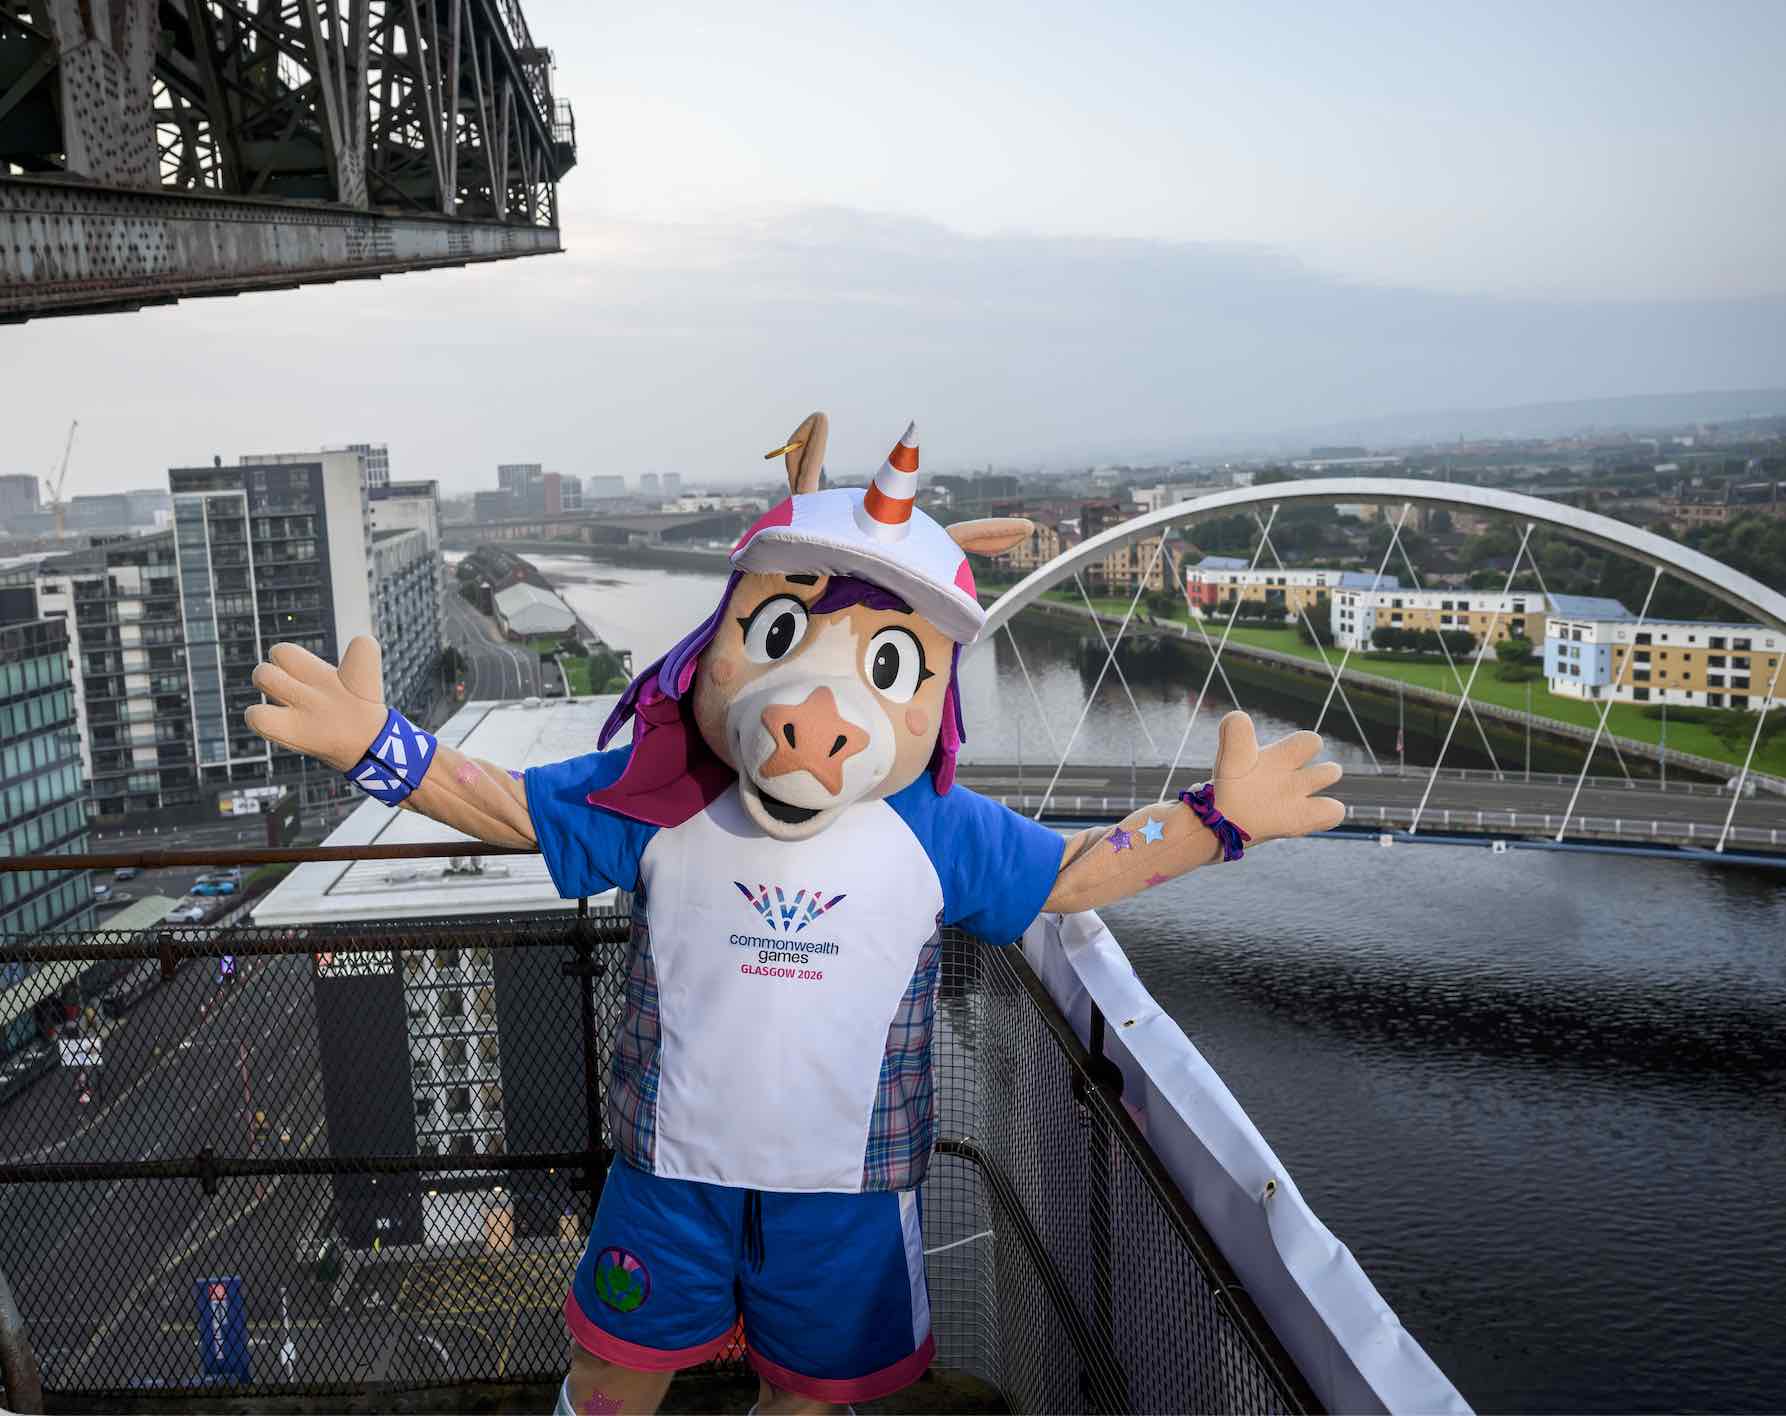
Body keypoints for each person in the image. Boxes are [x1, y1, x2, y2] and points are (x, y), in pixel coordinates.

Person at [243, 414, 1344, 1415]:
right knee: (612, 1375)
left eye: (889, 666)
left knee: (813, 1396)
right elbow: (512, 807)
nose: (817, 721)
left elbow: (1072, 873)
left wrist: (1215, 821)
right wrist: (378, 749)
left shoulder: (935, 827)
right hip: (669, 1171)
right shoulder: (664, 790)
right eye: (776, 636)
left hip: (848, 1192)